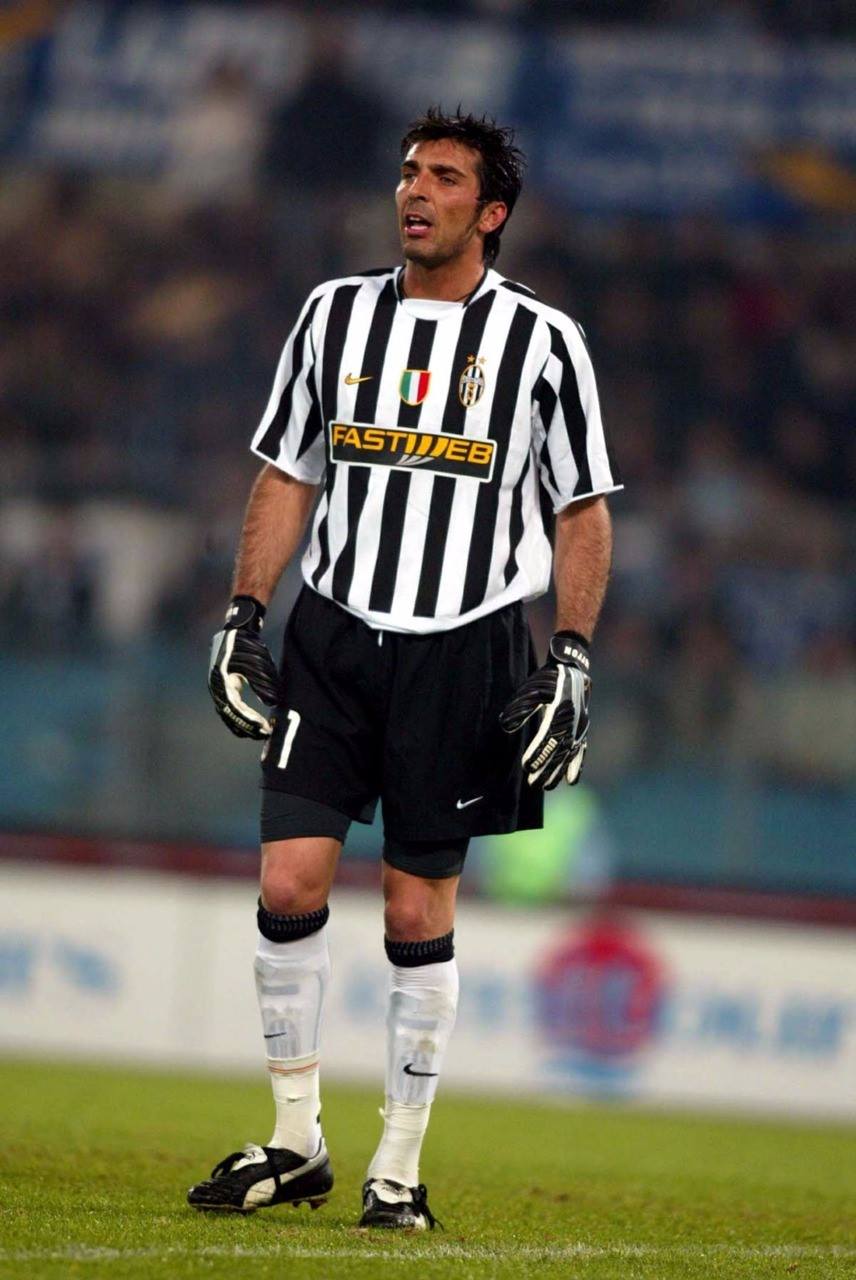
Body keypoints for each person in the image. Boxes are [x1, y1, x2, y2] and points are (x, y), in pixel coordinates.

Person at [189, 107, 620, 1229]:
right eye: (408, 173)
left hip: (466, 644)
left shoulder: (544, 341)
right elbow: (288, 472)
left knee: (415, 903)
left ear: (491, 212)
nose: (414, 192)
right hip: (333, 634)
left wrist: (572, 652)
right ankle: (296, 1140)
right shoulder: (331, 314)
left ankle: (398, 1166)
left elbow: (581, 509)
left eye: (443, 178)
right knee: (288, 883)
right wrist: (244, 613)